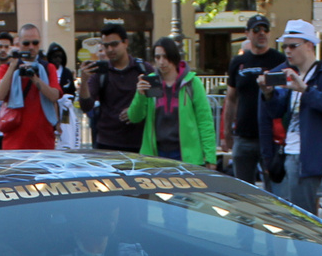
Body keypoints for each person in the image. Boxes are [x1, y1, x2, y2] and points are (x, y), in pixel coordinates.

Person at [257, 20, 322, 215]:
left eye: (293, 46)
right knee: (287, 214)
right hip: (288, 151)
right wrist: (268, 93)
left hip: (308, 154)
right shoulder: (288, 72)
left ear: (310, 45)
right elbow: (277, 111)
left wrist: (305, 90)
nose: (288, 51)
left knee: (302, 217)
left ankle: (304, 246)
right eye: (284, 46)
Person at [126, 36, 216, 165]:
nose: (162, 62)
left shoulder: (192, 83)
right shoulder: (150, 82)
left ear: (174, 57)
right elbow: (134, 117)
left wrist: (210, 157)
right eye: (157, 57)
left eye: (165, 57)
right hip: (155, 154)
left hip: (186, 155)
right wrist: (140, 95)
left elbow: (205, 121)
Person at [222, 16, 287, 185]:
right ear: (247, 34)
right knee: (243, 192)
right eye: (256, 30)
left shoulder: (279, 60)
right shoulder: (238, 62)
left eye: (265, 29)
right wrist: (226, 133)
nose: (262, 33)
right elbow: (231, 99)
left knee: (274, 191)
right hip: (244, 137)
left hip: (272, 138)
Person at [80, 25, 150, 155]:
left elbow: (157, 101)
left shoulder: (143, 69)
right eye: (106, 46)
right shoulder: (100, 72)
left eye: (114, 44)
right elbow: (86, 106)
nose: (110, 49)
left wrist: (135, 111)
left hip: (140, 143)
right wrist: (84, 81)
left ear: (125, 43)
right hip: (107, 144)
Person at [0, 23, 63, 150]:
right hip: (14, 143)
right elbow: (0, 94)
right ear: (18, 44)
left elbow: (54, 96)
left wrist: (34, 77)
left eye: (35, 43)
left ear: (40, 43)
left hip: (43, 142)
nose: (31, 47)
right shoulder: (6, 68)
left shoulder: (48, 68)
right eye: (26, 43)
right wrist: (13, 67)